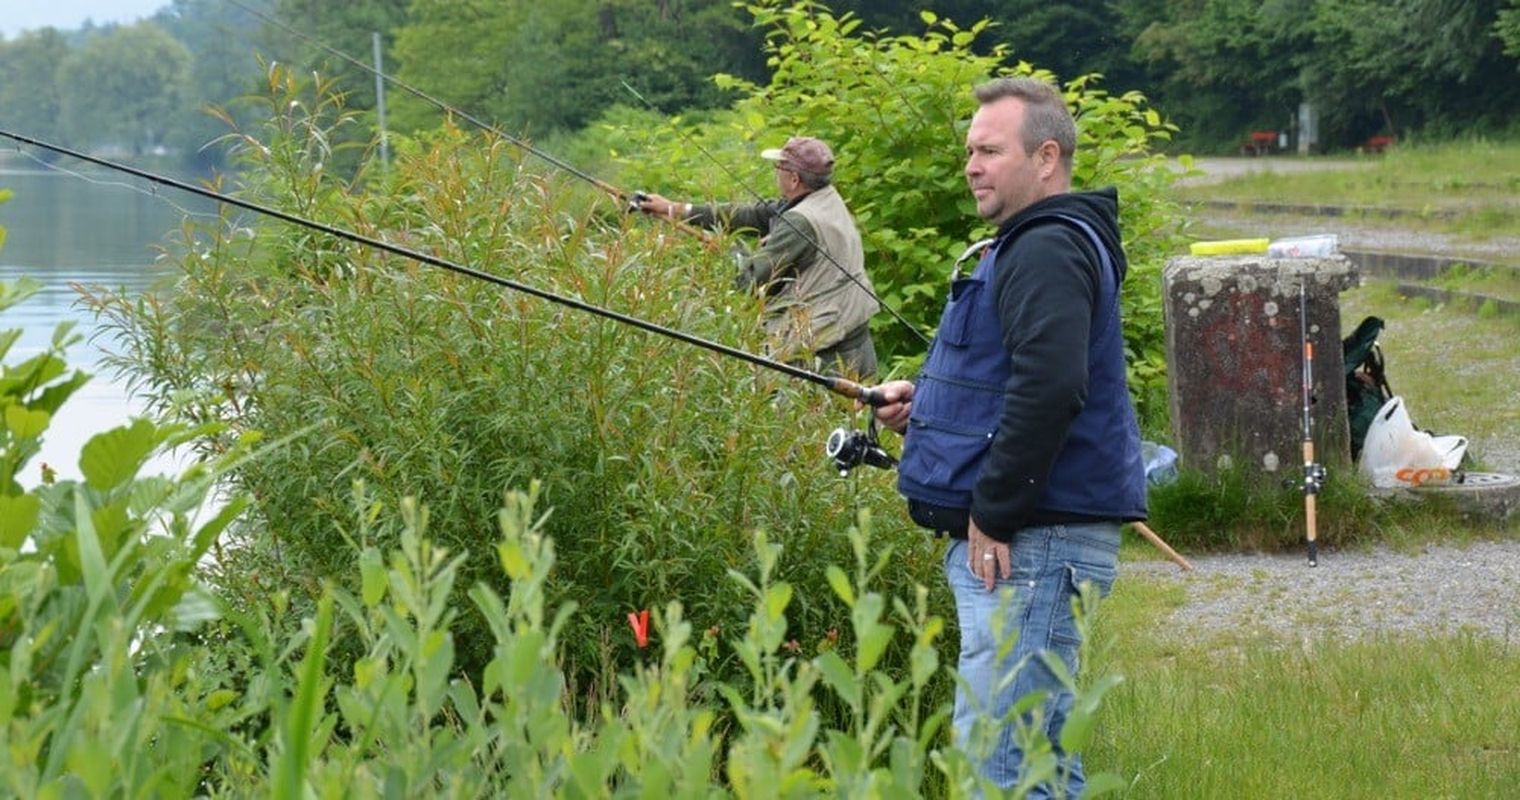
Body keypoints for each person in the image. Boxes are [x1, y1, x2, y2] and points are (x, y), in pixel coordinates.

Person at [870, 77, 1147, 796]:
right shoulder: (1037, 243)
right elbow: (1020, 374)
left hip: (1031, 540)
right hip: (1038, 537)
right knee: (1038, 759)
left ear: (1046, 157)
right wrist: (925, 401)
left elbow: (1053, 387)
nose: (970, 165)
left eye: (989, 150)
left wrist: (994, 511)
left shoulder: (1046, 247)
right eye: (969, 150)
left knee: (999, 763)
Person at [635, 136, 880, 378]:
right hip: (854, 340)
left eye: (779, 167)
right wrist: (674, 209)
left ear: (794, 179)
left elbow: (750, 280)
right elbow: (751, 215)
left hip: (827, 357)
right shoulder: (824, 198)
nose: (776, 172)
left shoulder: (801, 221)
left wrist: (726, 249)